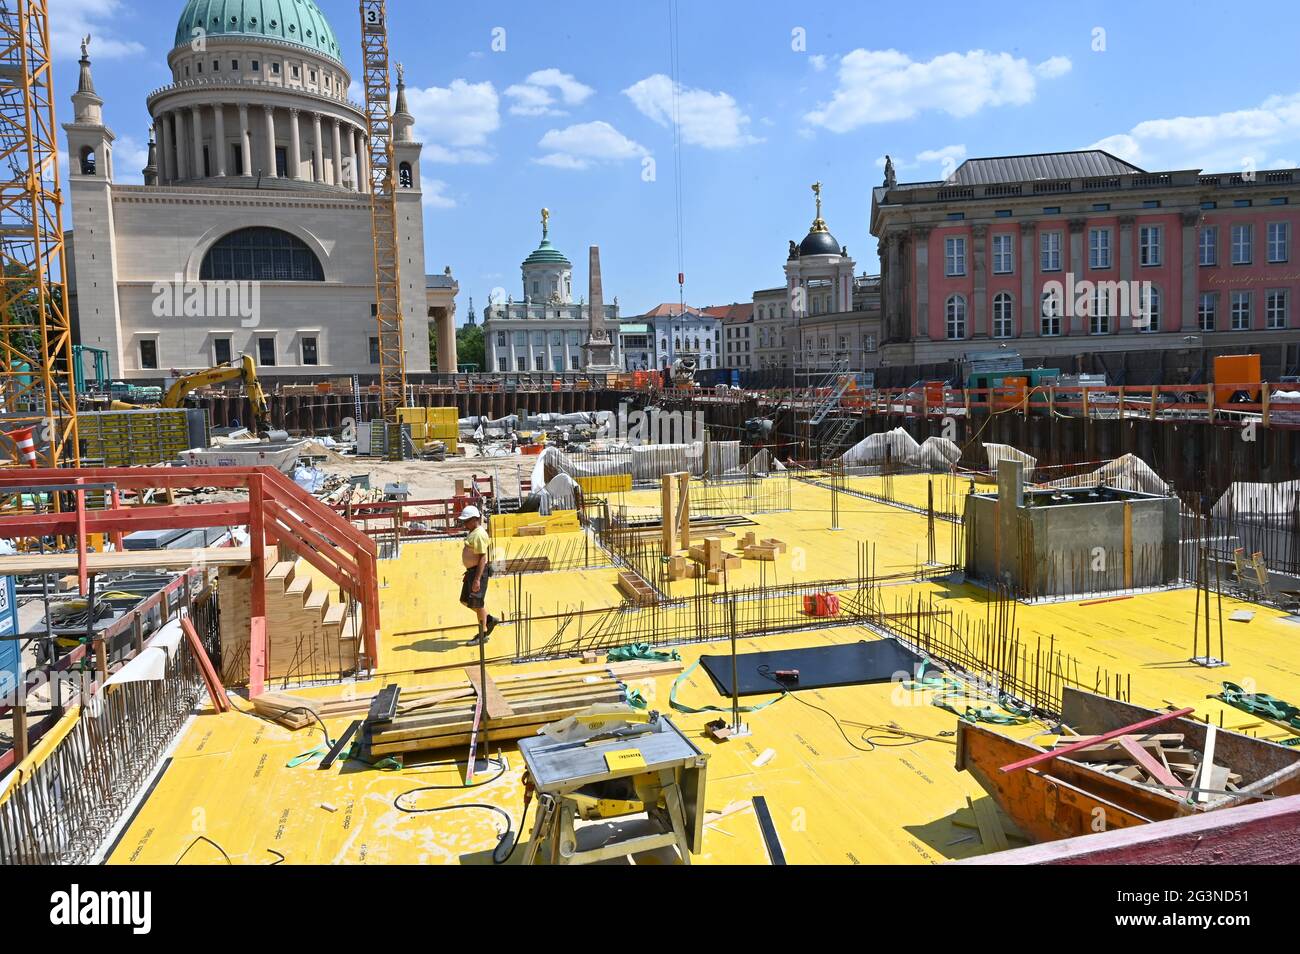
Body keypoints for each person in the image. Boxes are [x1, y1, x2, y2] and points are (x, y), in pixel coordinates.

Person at [458, 506, 499, 644]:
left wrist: (476, 579)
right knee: (465, 600)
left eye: (467, 521)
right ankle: (488, 620)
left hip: (477, 573)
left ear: (475, 519)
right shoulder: (473, 532)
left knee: (477, 603)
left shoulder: (480, 534)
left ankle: (483, 634)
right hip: (471, 572)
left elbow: (482, 557)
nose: (464, 524)